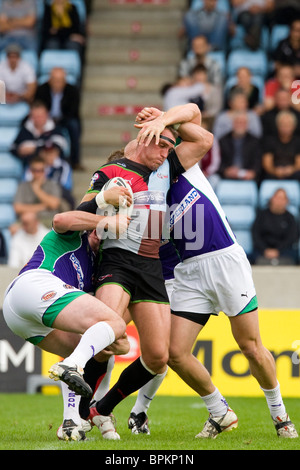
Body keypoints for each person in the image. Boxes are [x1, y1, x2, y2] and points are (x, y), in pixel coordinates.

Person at [76, 103, 214, 438]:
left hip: (152, 265)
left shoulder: (169, 166)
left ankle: (102, 410)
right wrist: (101, 214)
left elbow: (204, 139)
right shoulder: (113, 170)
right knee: (106, 336)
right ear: (145, 140)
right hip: (118, 262)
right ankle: (78, 416)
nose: (168, 151)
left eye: (170, 146)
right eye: (162, 144)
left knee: (157, 357)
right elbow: (82, 210)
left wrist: (165, 120)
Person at [158, 159, 298, 438]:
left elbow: (200, 131)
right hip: (188, 272)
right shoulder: (147, 192)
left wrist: (161, 120)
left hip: (224, 262)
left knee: (250, 346)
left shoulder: (185, 168)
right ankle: (220, 412)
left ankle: (280, 415)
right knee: (174, 353)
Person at [2, 206, 131, 441]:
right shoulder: (74, 235)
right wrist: (106, 219)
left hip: (20, 319)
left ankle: (71, 421)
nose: (98, 231)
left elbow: (100, 331)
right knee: (114, 325)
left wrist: (119, 341)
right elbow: (60, 219)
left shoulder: (96, 270)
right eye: (97, 227)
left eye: (105, 232)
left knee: (94, 347)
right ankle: (75, 370)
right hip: (33, 284)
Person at [34, 66, 82, 170]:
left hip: (65, 119)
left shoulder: (72, 91)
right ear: (49, 80)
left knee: (74, 126)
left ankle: (75, 161)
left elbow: (73, 111)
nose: (57, 84)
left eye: (60, 81)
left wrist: (58, 121)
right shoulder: (42, 90)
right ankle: (36, 158)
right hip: (46, 118)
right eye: (55, 81)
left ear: (65, 81)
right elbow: (38, 106)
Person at [10, 100, 69, 167]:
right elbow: (13, 147)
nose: (38, 119)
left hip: (53, 168)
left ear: (47, 115)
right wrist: (19, 151)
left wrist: (34, 148)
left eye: (41, 116)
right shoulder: (25, 129)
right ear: (30, 116)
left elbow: (58, 146)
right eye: (35, 116)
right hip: (30, 169)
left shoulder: (56, 128)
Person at [252, 188, 299, 265]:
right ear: (272, 199)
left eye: (282, 198)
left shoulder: (290, 218)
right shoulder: (262, 215)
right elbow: (255, 234)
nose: (279, 201)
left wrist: (278, 251)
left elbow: (292, 237)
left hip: (284, 251)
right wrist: (265, 250)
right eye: (277, 198)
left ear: (287, 201)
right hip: (263, 250)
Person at [13, 156, 63, 227]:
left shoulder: (53, 185)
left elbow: (54, 204)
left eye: (41, 170)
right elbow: (17, 208)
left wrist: (37, 190)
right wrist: (42, 206)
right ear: (30, 171)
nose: (38, 173)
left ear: (45, 170)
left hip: (49, 221)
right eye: (35, 170)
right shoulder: (22, 186)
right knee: (14, 227)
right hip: (28, 223)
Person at [218, 111, 262, 182]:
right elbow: (218, 161)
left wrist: (252, 172)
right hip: (226, 177)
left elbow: (257, 161)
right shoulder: (223, 141)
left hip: (248, 177)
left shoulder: (255, 141)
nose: (240, 125)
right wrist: (226, 171)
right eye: (238, 122)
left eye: (243, 123)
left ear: (247, 125)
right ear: (233, 124)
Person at [262, 110, 300, 181]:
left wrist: (292, 169)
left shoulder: (298, 141)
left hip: (293, 173)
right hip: (274, 173)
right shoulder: (270, 141)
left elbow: (299, 163)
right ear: (277, 125)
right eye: (283, 125)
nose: (285, 128)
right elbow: (267, 163)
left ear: (294, 126)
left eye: (288, 125)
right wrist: (275, 171)